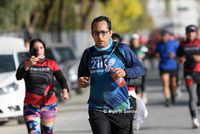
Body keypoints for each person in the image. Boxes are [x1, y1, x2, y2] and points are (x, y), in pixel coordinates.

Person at [78, 16, 145, 134]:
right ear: (92, 34)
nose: (100, 36)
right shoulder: (88, 53)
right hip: (97, 109)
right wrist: (81, 80)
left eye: (103, 32)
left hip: (121, 109)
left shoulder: (121, 49)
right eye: (96, 33)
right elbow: (82, 73)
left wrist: (125, 72)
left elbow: (140, 69)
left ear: (110, 33)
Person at [16, 38, 69, 134]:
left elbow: (61, 78)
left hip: (49, 106)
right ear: (30, 50)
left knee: (47, 132)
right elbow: (18, 76)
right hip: (30, 106)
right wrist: (28, 65)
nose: (39, 50)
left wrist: (65, 90)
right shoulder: (25, 64)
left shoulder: (51, 63)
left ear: (44, 49)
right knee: (33, 132)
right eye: (36, 48)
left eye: (41, 47)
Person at [176, 25, 200, 128]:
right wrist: (179, 60)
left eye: (193, 32)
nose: (191, 33)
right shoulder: (182, 45)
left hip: (199, 72)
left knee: (198, 97)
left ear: (196, 33)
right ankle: (194, 119)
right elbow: (177, 58)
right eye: (189, 32)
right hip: (188, 73)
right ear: (186, 33)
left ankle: (198, 106)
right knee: (192, 96)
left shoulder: (199, 42)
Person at [155, 30, 179, 107]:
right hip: (163, 66)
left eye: (165, 36)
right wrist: (157, 55)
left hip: (173, 66)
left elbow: (179, 53)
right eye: (162, 36)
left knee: (173, 83)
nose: (163, 37)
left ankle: (173, 94)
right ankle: (167, 100)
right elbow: (156, 52)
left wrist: (174, 55)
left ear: (168, 36)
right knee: (165, 83)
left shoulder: (174, 43)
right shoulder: (159, 44)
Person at [130, 33, 148, 104]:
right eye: (133, 40)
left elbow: (148, 55)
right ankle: (138, 99)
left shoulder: (142, 47)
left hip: (143, 68)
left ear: (138, 40)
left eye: (135, 40)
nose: (134, 41)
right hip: (134, 69)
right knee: (136, 83)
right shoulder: (130, 48)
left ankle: (143, 94)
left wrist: (142, 56)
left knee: (142, 83)